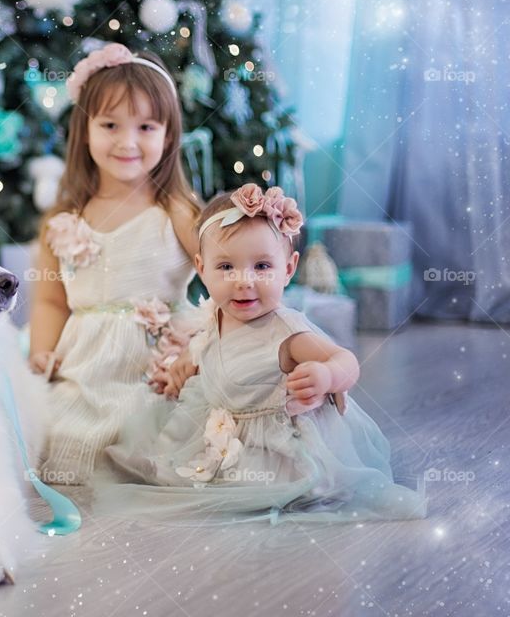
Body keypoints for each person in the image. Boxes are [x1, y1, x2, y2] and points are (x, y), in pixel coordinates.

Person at [100, 185, 427, 522]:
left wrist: (327, 375)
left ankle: (285, 482)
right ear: (201, 268)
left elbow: (346, 361)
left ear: (288, 268)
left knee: (254, 489)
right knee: (161, 459)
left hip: (273, 445)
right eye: (226, 267)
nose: (243, 281)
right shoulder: (217, 314)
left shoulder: (285, 330)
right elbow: (204, 349)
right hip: (222, 423)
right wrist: (183, 367)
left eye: (261, 266)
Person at [28, 43, 202, 485]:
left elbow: (221, 276)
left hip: (155, 369)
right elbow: (51, 299)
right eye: (110, 125)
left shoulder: (177, 211)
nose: (127, 142)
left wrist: (200, 346)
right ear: (84, 131)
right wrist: (41, 356)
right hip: (84, 367)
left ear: (168, 135)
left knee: (153, 435)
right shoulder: (64, 220)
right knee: (50, 432)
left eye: (146, 126)